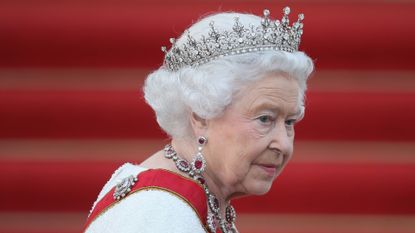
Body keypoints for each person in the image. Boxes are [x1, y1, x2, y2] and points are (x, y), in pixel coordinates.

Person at [84, 6, 314, 233]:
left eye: (290, 122)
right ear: (201, 115)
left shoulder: (192, 200)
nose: (283, 144)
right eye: (265, 119)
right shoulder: (160, 212)